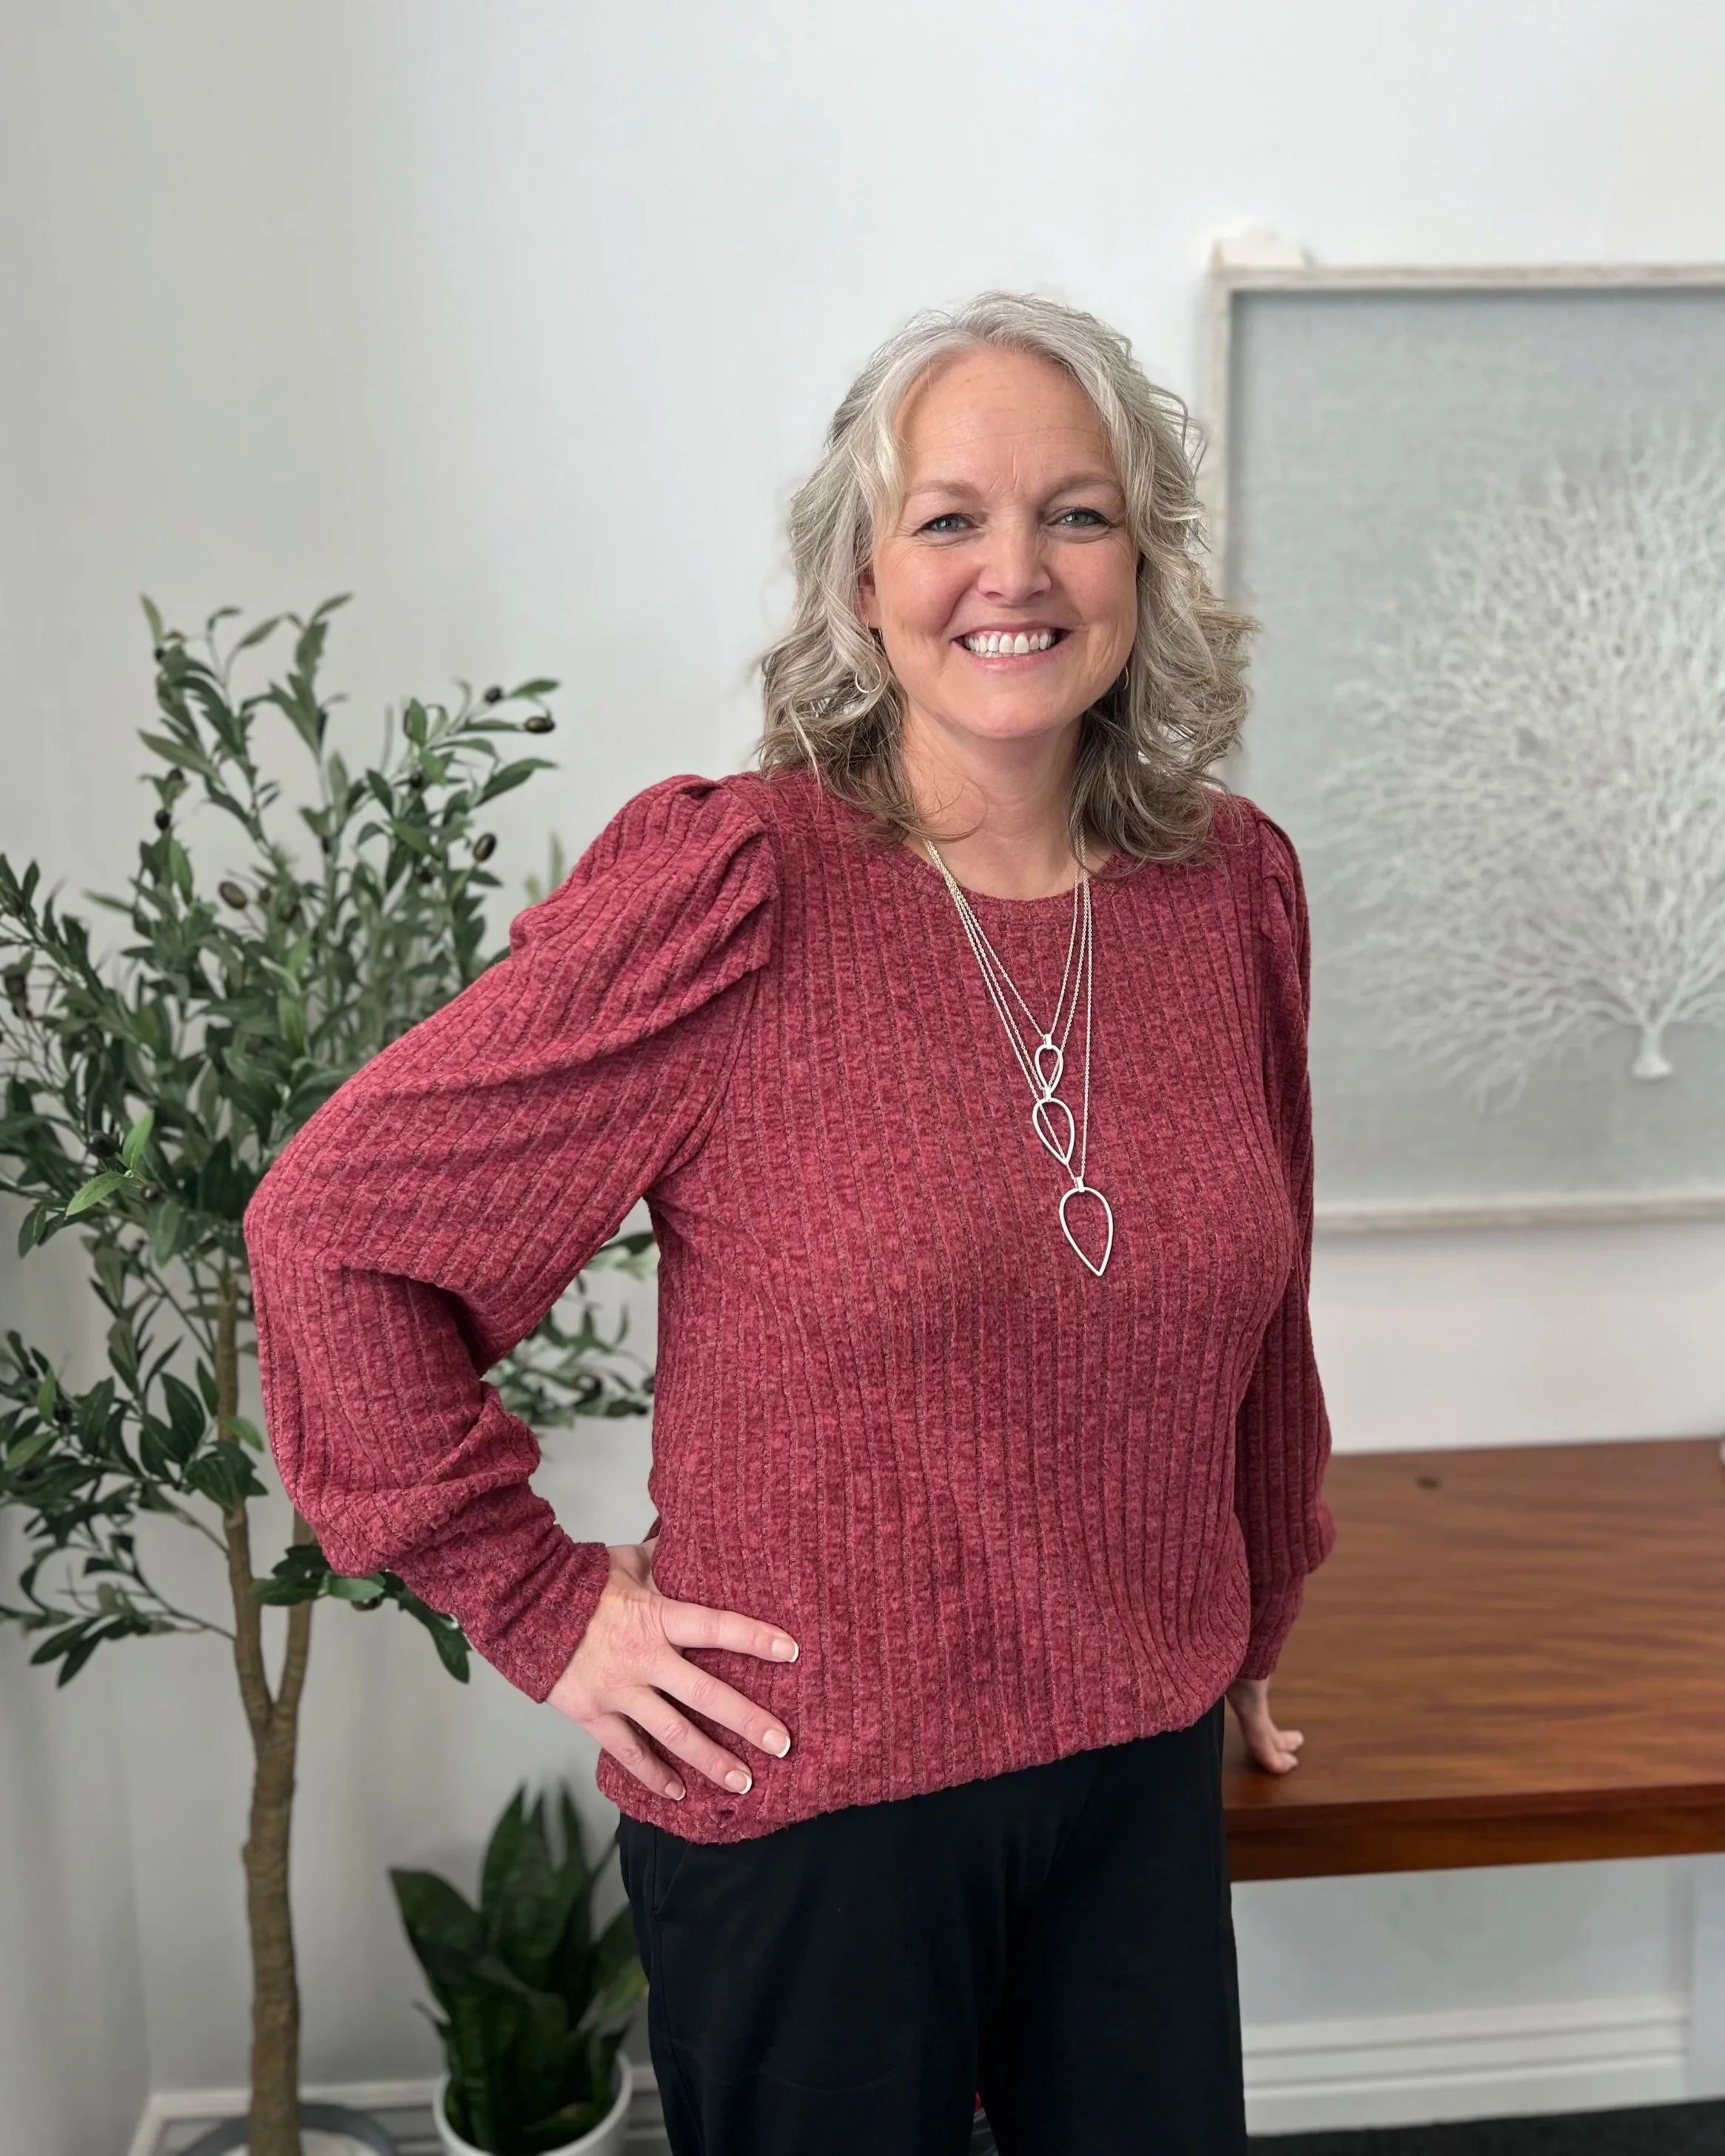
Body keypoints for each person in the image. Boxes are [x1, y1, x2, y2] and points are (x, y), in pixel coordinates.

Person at [245, 289, 1336, 2156]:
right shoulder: (735, 886)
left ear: (1144, 565)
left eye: (1078, 512)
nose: (1018, 568)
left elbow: (1261, 1288)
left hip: (1135, 1756)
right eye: (948, 517)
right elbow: (331, 1229)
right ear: (857, 585)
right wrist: (537, 1599)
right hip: (815, 1791)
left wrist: (1248, 1602)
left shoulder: (1226, 885)